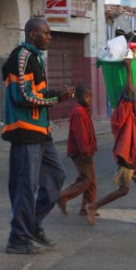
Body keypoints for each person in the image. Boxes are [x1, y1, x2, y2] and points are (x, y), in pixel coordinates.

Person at [1, 17, 75, 255]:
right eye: (46, 33)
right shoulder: (22, 57)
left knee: (56, 177)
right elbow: (22, 95)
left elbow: (36, 94)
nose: (50, 37)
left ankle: (30, 226)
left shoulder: (35, 57)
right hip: (25, 132)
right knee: (25, 186)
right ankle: (18, 239)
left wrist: (56, 94)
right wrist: (57, 99)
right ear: (32, 34)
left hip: (41, 132)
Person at [86, 57, 136, 227]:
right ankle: (92, 206)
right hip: (126, 154)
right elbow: (129, 92)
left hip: (135, 153)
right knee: (123, 190)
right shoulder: (122, 113)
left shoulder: (132, 115)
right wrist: (128, 68)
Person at [57, 84, 98, 217]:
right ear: (79, 97)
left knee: (90, 180)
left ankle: (87, 207)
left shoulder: (83, 110)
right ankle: (63, 196)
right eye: (87, 97)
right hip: (81, 152)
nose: (89, 99)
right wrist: (86, 151)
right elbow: (81, 134)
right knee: (87, 180)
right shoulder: (78, 112)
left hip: (84, 150)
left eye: (90, 97)